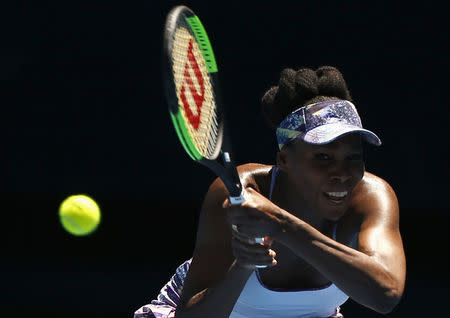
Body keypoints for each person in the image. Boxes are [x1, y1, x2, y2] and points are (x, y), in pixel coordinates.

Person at [134, 66, 406, 318]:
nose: (343, 173)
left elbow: (385, 295)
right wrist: (242, 267)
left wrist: (281, 225)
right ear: (285, 159)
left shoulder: (372, 197)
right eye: (323, 157)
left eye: (353, 158)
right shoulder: (240, 190)